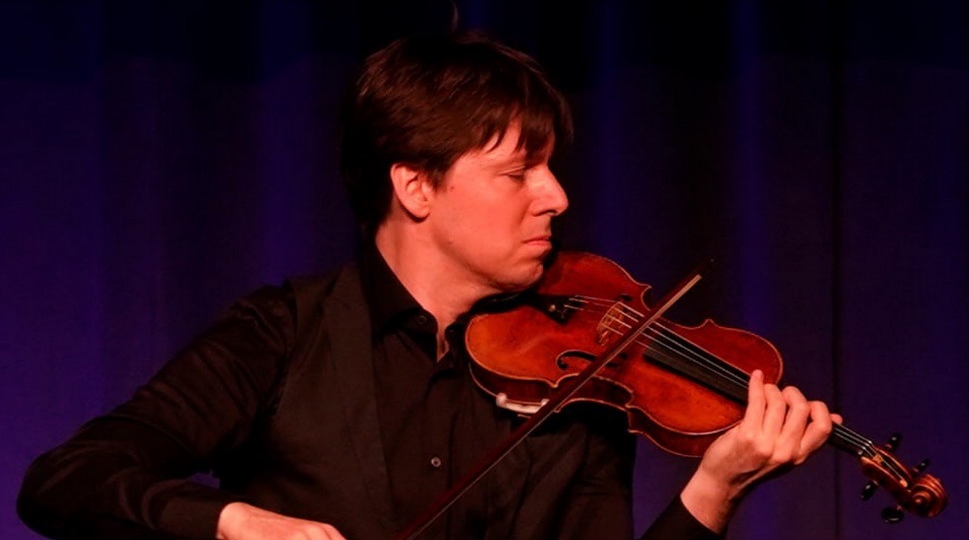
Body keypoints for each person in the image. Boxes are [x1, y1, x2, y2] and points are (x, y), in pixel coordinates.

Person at [18, 32, 837, 540]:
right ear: (415, 187)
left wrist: (713, 489)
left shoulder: (582, 378)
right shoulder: (282, 333)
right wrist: (235, 524)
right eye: (519, 171)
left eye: (550, 168)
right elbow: (65, 482)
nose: (556, 196)